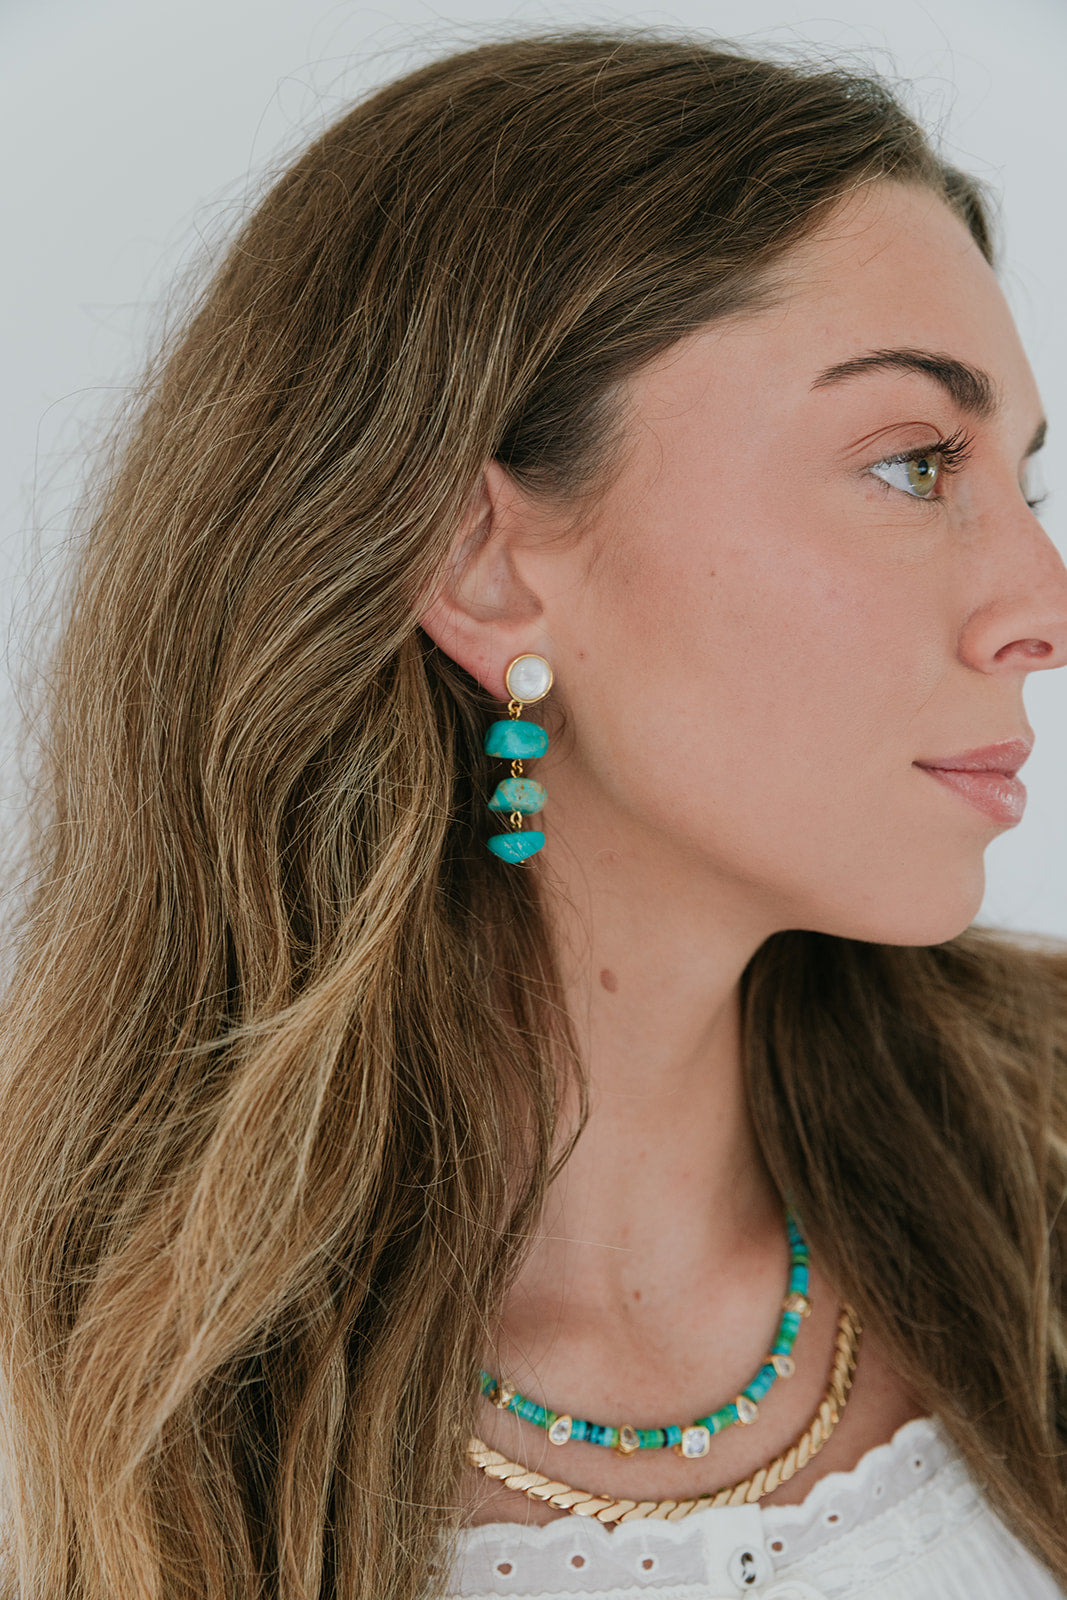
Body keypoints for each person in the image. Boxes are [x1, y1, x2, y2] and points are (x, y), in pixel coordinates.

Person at [0, 28, 1064, 1600]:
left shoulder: (1042, 1169)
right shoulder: (62, 1412)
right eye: (915, 463)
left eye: (1024, 481)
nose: (1039, 606)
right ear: (484, 566)